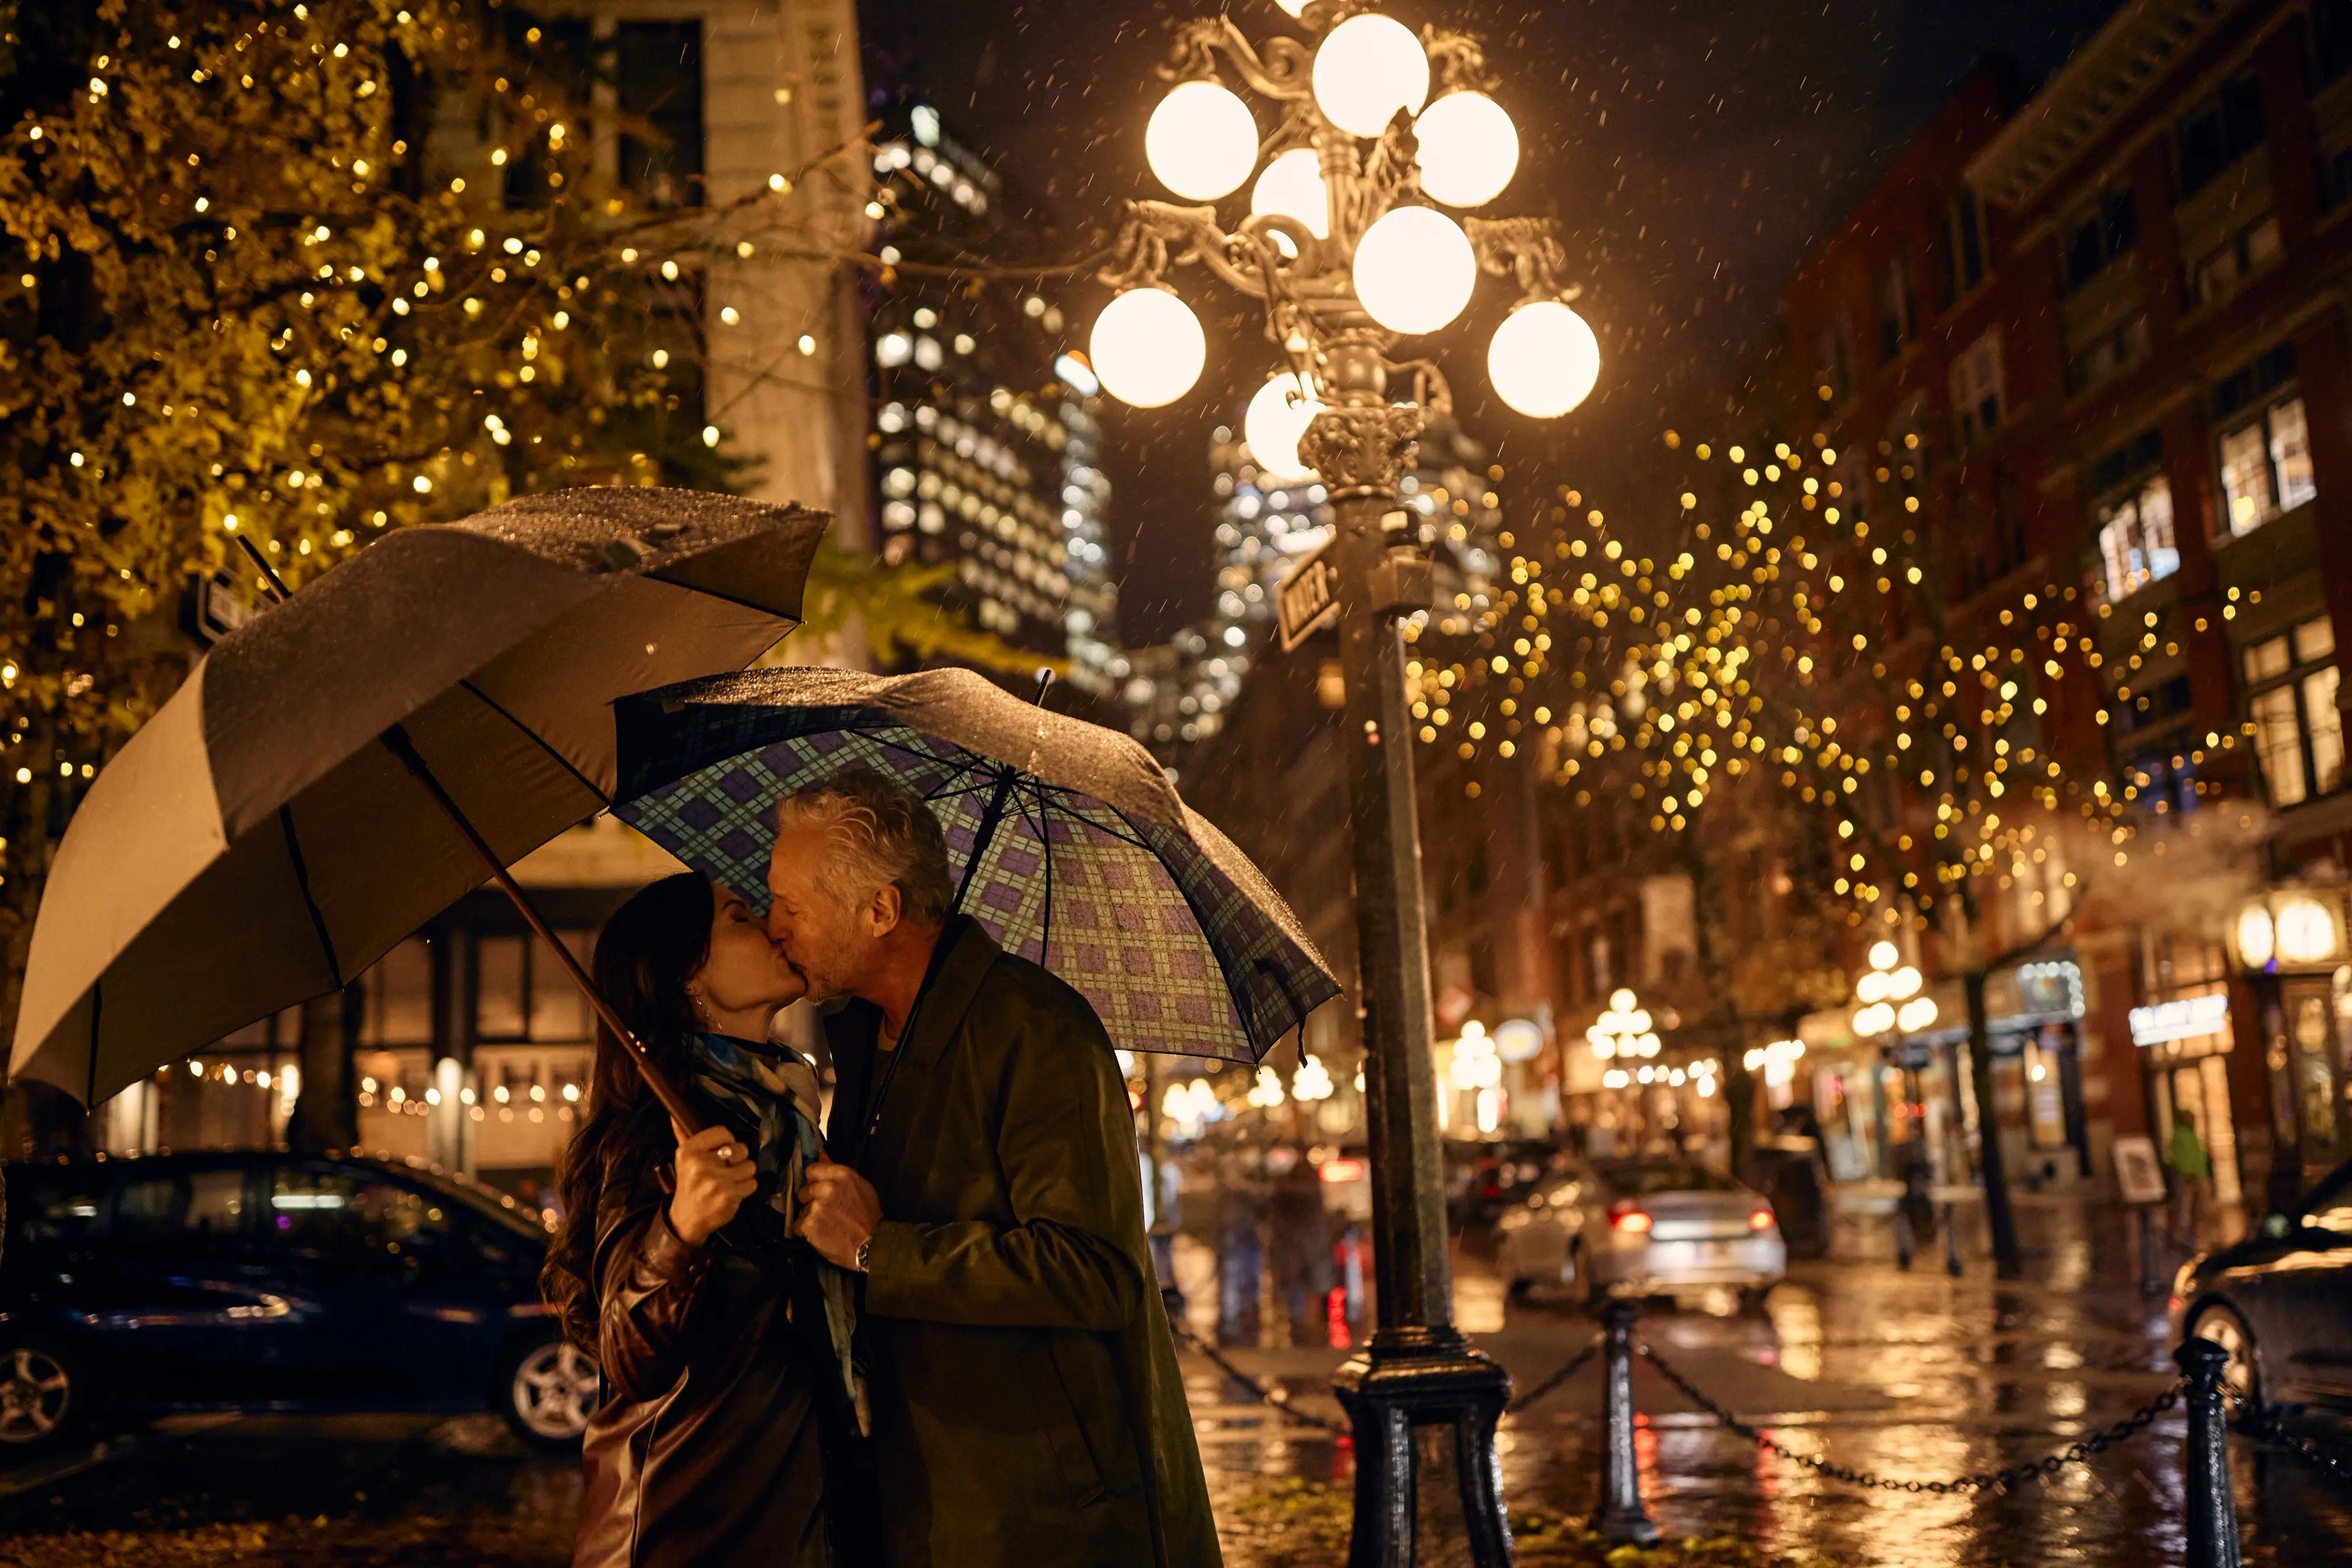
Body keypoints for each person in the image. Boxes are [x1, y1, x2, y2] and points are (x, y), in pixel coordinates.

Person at [769, 771, 1220, 1568]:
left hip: (1043, 1516)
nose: (774, 927)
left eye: (791, 906)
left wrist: (882, 1251)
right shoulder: (871, 1043)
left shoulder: (1036, 1031)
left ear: (881, 909)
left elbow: (1094, 1272)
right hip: (928, 1500)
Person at [543, 873, 873, 1568]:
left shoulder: (784, 1115)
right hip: (687, 1519)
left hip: (784, 1510)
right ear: (688, 971)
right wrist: (680, 1228)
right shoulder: (654, 1134)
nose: (772, 928)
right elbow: (625, 1352)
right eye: (741, 918)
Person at [2168, 1108, 2212, 1246]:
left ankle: (2195, 1230)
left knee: (2199, 1205)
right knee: (2185, 1205)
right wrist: (2186, 1172)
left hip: (2199, 1174)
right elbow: (2179, 1156)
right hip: (2188, 1176)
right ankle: (2182, 1233)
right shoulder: (2179, 1136)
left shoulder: (2192, 1135)